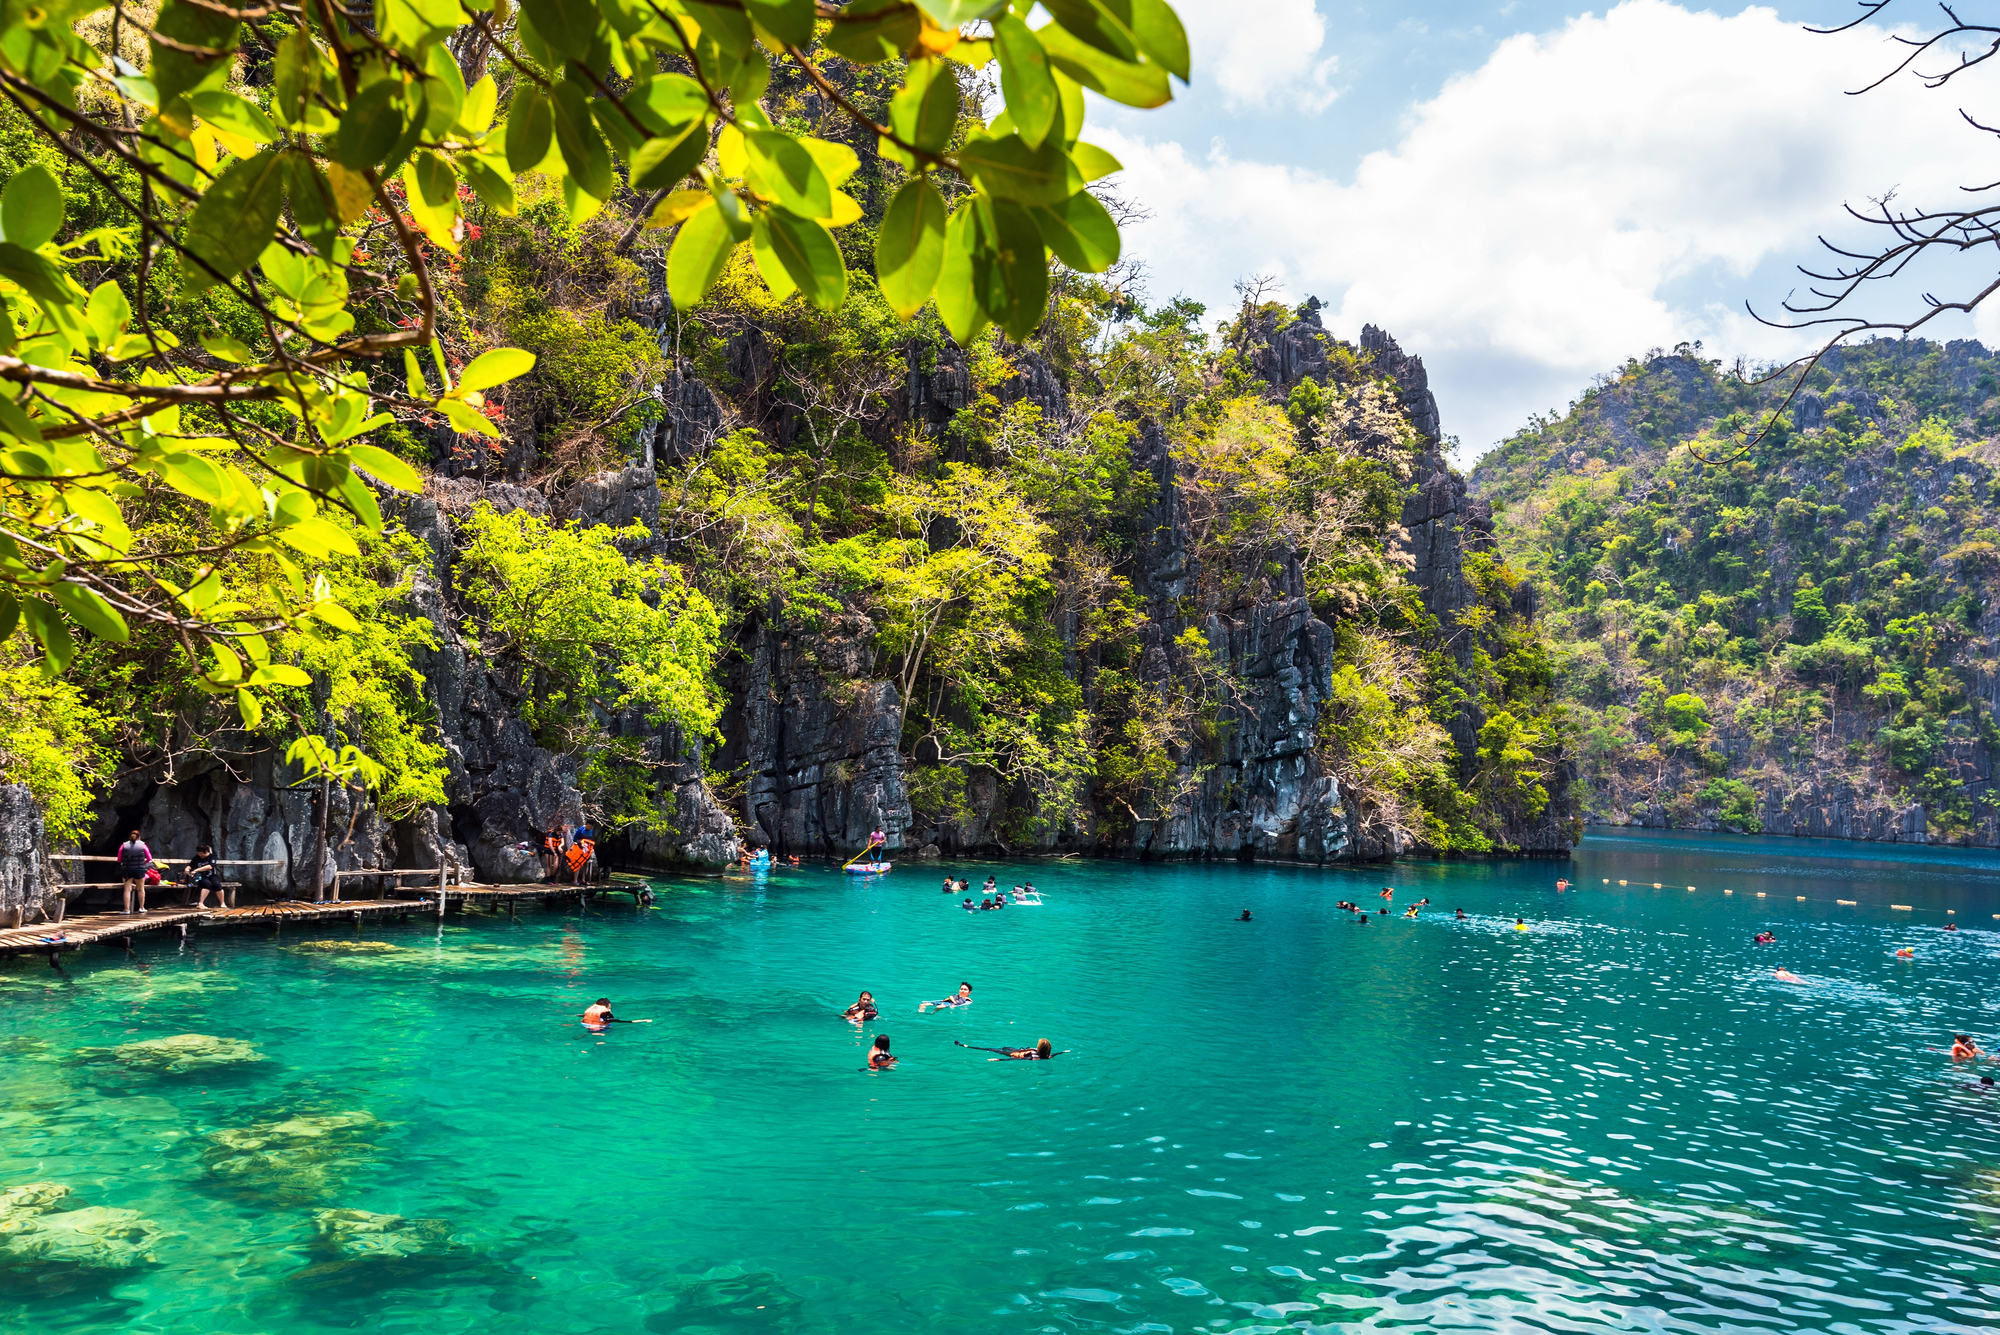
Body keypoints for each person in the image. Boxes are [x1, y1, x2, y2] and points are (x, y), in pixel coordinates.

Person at [116, 829, 153, 914]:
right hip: (139, 869)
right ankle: (141, 908)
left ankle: (126, 910)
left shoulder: (123, 845)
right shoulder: (143, 845)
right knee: (140, 889)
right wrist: (143, 863)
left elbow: (119, 859)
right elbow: (149, 858)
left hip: (127, 870)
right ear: (139, 837)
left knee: (127, 890)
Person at [180, 844, 221, 910]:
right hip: (200, 876)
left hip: (211, 875)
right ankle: (200, 903)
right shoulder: (196, 857)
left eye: (201, 853)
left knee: (217, 884)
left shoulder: (212, 857)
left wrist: (196, 870)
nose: (200, 855)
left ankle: (222, 903)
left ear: (207, 852)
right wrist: (187, 868)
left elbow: (210, 866)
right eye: (199, 853)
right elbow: (191, 865)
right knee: (207, 884)